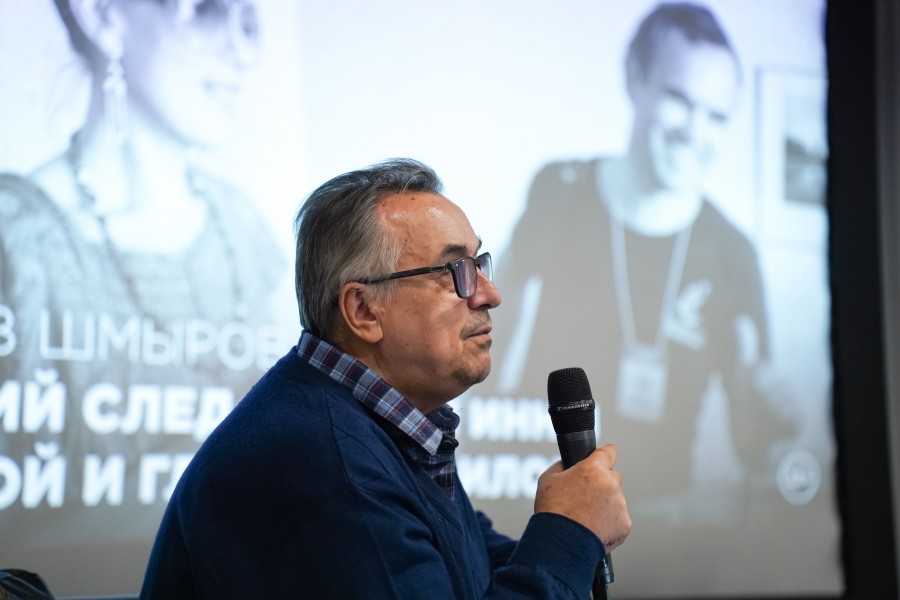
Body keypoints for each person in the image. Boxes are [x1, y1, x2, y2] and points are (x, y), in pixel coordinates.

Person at [139, 158, 632, 598]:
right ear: (363, 310)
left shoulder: (382, 425)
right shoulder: (328, 465)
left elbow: (469, 573)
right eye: (455, 271)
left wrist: (573, 527)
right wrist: (567, 533)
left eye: (479, 263)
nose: (489, 294)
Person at [0, 0, 285, 567]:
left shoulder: (243, 229)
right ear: (102, 15)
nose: (242, 50)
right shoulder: (17, 236)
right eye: (205, 9)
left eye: (249, 20)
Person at [488, 1, 795, 523]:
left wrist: (771, 422)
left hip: (664, 522)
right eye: (679, 99)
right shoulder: (558, 191)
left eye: (717, 115)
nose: (695, 131)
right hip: (535, 504)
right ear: (635, 78)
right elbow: (498, 319)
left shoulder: (735, 254)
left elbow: (753, 446)